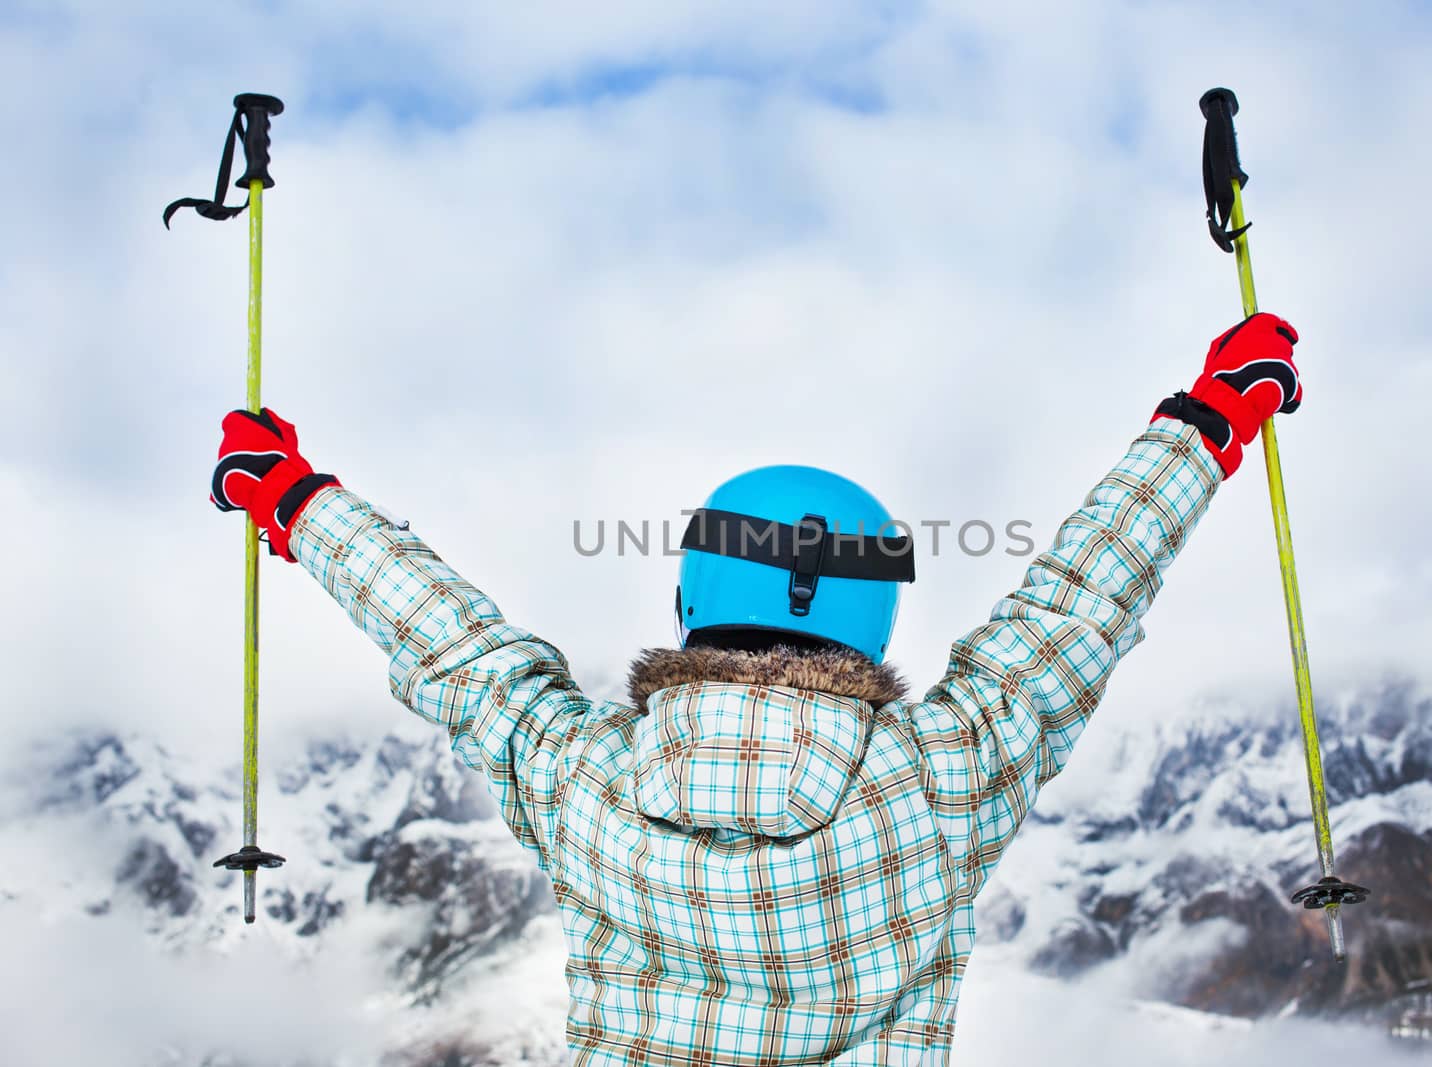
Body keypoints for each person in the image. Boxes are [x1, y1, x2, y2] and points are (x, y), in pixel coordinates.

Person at [209, 313, 1304, 1066]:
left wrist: (301, 502)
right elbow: (1078, 602)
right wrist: (1206, 420)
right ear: (870, 620)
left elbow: (458, 648)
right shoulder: (946, 777)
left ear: (691, 595)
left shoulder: (582, 778)